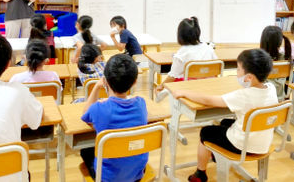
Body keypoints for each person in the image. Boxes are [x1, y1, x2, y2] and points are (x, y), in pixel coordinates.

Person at [171, 49, 278, 182]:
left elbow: (209, 100)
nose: (236, 72)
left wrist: (185, 92)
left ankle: (200, 174)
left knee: (206, 131)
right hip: (263, 142)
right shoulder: (271, 88)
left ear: (249, 77)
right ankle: (216, 156)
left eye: (238, 69)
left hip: (242, 145)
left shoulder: (243, 96)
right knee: (225, 122)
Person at [80, 54, 148, 182]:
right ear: (134, 82)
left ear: (105, 81)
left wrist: (96, 88)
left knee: (86, 150)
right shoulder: (141, 103)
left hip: (109, 177)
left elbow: (85, 115)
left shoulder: (98, 109)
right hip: (137, 172)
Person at [156, 17, 217, 92]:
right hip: (209, 86)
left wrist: (161, 86)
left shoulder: (182, 53)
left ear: (180, 35)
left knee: (176, 79)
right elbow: (216, 66)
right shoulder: (209, 48)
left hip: (190, 89)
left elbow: (172, 76)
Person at [259, 25, 292, 100]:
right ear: (280, 42)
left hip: (263, 99)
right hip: (280, 97)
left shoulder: (258, 59)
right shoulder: (286, 58)